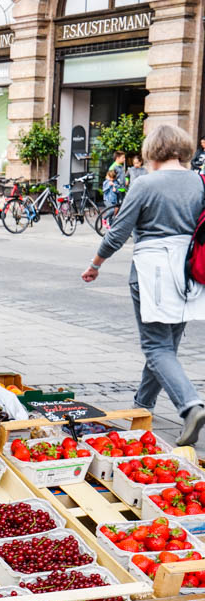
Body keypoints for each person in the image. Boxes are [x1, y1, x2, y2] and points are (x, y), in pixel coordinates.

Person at [81, 124, 205, 449]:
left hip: (153, 269)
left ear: (153, 151)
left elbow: (118, 232)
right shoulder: (200, 181)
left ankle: (190, 406)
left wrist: (95, 265)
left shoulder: (145, 183)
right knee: (168, 345)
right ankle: (143, 405)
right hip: (190, 269)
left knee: (156, 346)